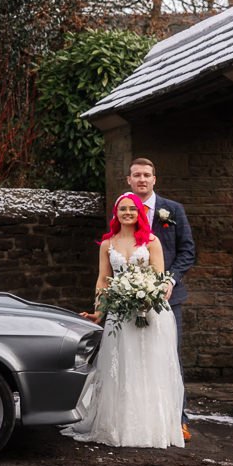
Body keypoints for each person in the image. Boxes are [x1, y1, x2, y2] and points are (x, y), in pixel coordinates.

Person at [62, 192, 185, 449]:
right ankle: (119, 426)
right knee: (122, 367)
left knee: (148, 368)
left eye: (132, 209)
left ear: (139, 213)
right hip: (119, 312)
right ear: (116, 214)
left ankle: (152, 428)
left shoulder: (151, 241)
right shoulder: (108, 244)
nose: (127, 213)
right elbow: (103, 280)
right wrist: (99, 311)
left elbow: (159, 277)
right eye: (122, 209)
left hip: (149, 312)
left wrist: (147, 297)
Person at [125, 157, 196, 439]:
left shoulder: (173, 210)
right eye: (136, 175)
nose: (142, 179)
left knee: (169, 356)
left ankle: (178, 418)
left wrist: (171, 278)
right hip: (131, 297)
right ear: (129, 180)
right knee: (135, 357)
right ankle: (139, 419)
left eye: (147, 175)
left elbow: (187, 251)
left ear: (155, 179)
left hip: (169, 298)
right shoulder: (123, 210)